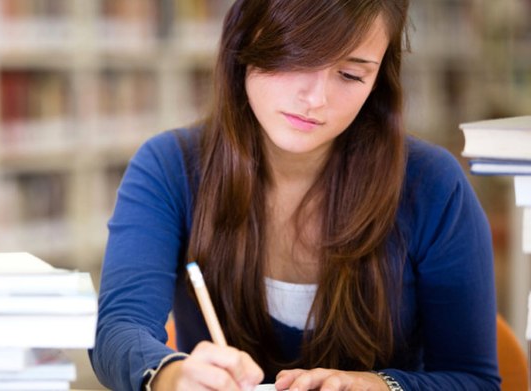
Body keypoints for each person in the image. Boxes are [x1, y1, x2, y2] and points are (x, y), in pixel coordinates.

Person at [88, 0, 501, 390]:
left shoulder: (431, 185)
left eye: (351, 75)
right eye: (299, 57)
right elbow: (118, 329)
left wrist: (382, 383)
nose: (315, 99)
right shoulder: (170, 167)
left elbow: (473, 379)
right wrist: (171, 376)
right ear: (246, 41)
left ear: (378, 80)